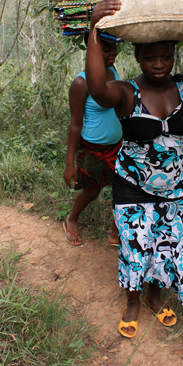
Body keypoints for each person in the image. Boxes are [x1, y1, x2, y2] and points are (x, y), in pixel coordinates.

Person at [85, 0, 183, 337]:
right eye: (150, 57)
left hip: (171, 189)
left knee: (165, 247)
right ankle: (132, 303)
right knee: (135, 247)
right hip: (132, 187)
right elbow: (95, 88)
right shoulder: (125, 93)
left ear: (172, 56)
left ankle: (154, 298)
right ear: (138, 57)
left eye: (165, 56)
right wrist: (93, 29)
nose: (158, 63)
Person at [63, 34, 123, 246]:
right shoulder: (81, 83)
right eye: (106, 49)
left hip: (118, 146)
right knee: (91, 190)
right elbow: (75, 124)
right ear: (92, 52)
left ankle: (117, 232)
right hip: (92, 148)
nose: (113, 53)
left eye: (114, 48)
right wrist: (69, 164)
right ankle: (72, 218)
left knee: (122, 189)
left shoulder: (112, 72)